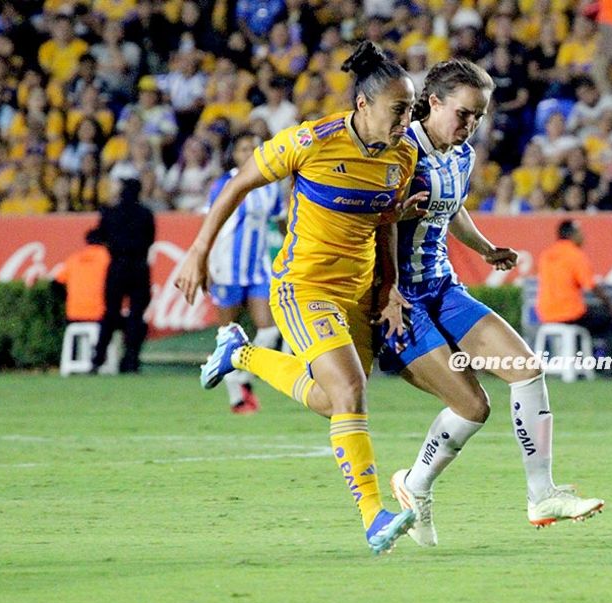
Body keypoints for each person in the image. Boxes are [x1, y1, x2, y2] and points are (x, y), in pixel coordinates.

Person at [172, 41, 426, 555]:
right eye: (399, 109)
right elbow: (239, 183)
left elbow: (384, 224)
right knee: (351, 391)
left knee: (334, 400)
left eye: (411, 110)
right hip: (301, 286)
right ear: (363, 105)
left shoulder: (404, 155)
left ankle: (239, 353)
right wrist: (199, 249)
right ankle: (375, 517)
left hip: (357, 293)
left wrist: (389, 284)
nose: (407, 120)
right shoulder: (310, 141)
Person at [375, 59, 605, 548]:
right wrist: (387, 289)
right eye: (463, 114)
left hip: (443, 288)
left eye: (478, 117)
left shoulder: (461, 155)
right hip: (399, 300)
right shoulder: (398, 152)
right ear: (433, 102)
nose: (470, 126)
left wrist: (484, 249)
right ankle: (415, 484)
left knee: (527, 369)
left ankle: (541, 495)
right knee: (473, 405)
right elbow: (372, 222)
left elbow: (451, 207)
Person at [203, 132, 285, 414]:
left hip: (258, 268)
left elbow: (279, 222)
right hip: (226, 268)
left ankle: (240, 377)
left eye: (253, 148)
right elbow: (211, 224)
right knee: (226, 334)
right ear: (234, 154)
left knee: (269, 331)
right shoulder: (224, 185)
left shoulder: (270, 187)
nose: (248, 152)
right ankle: (237, 397)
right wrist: (205, 261)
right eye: (242, 149)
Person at [537, 219, 612, 360]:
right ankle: (611, 368)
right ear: (572, 235)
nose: (583, 237)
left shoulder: (546, 255)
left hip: (546, 314)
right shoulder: (575, 255)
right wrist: (611, 306)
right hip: (570, 314)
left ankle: (576, 361)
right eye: (580, 233)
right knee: (611, 320)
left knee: (591, 319)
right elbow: (591, 286)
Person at [92, 179, 155, 374]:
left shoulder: (110, 212)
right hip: (139, 267)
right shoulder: (145, 214)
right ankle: (131, 360)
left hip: (117, 267)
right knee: (136, 315)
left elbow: (96, 236)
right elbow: (150, 239)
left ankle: (98, 359)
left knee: (111, 313)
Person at [53, 228, 111, 323]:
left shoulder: (73, 259)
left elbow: (55, 284)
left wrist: (68, 298)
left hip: (73, 315)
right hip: (99, 315)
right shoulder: (107, 258)